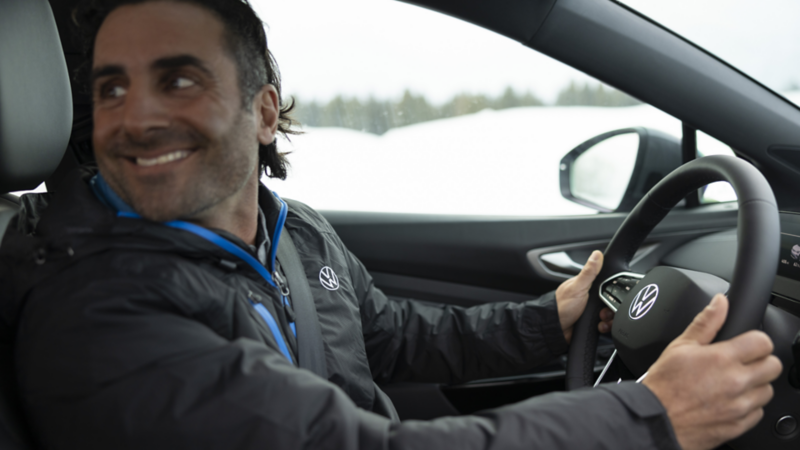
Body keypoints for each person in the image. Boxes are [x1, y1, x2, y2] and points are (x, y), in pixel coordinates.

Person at [0, 0, 781, 449]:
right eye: (111, 89)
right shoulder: (93, 308)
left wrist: (551, 320)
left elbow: (396, 337)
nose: (137, 118)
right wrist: (650, 417)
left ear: (263, 109)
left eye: (178, 80)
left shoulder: (293, 231)